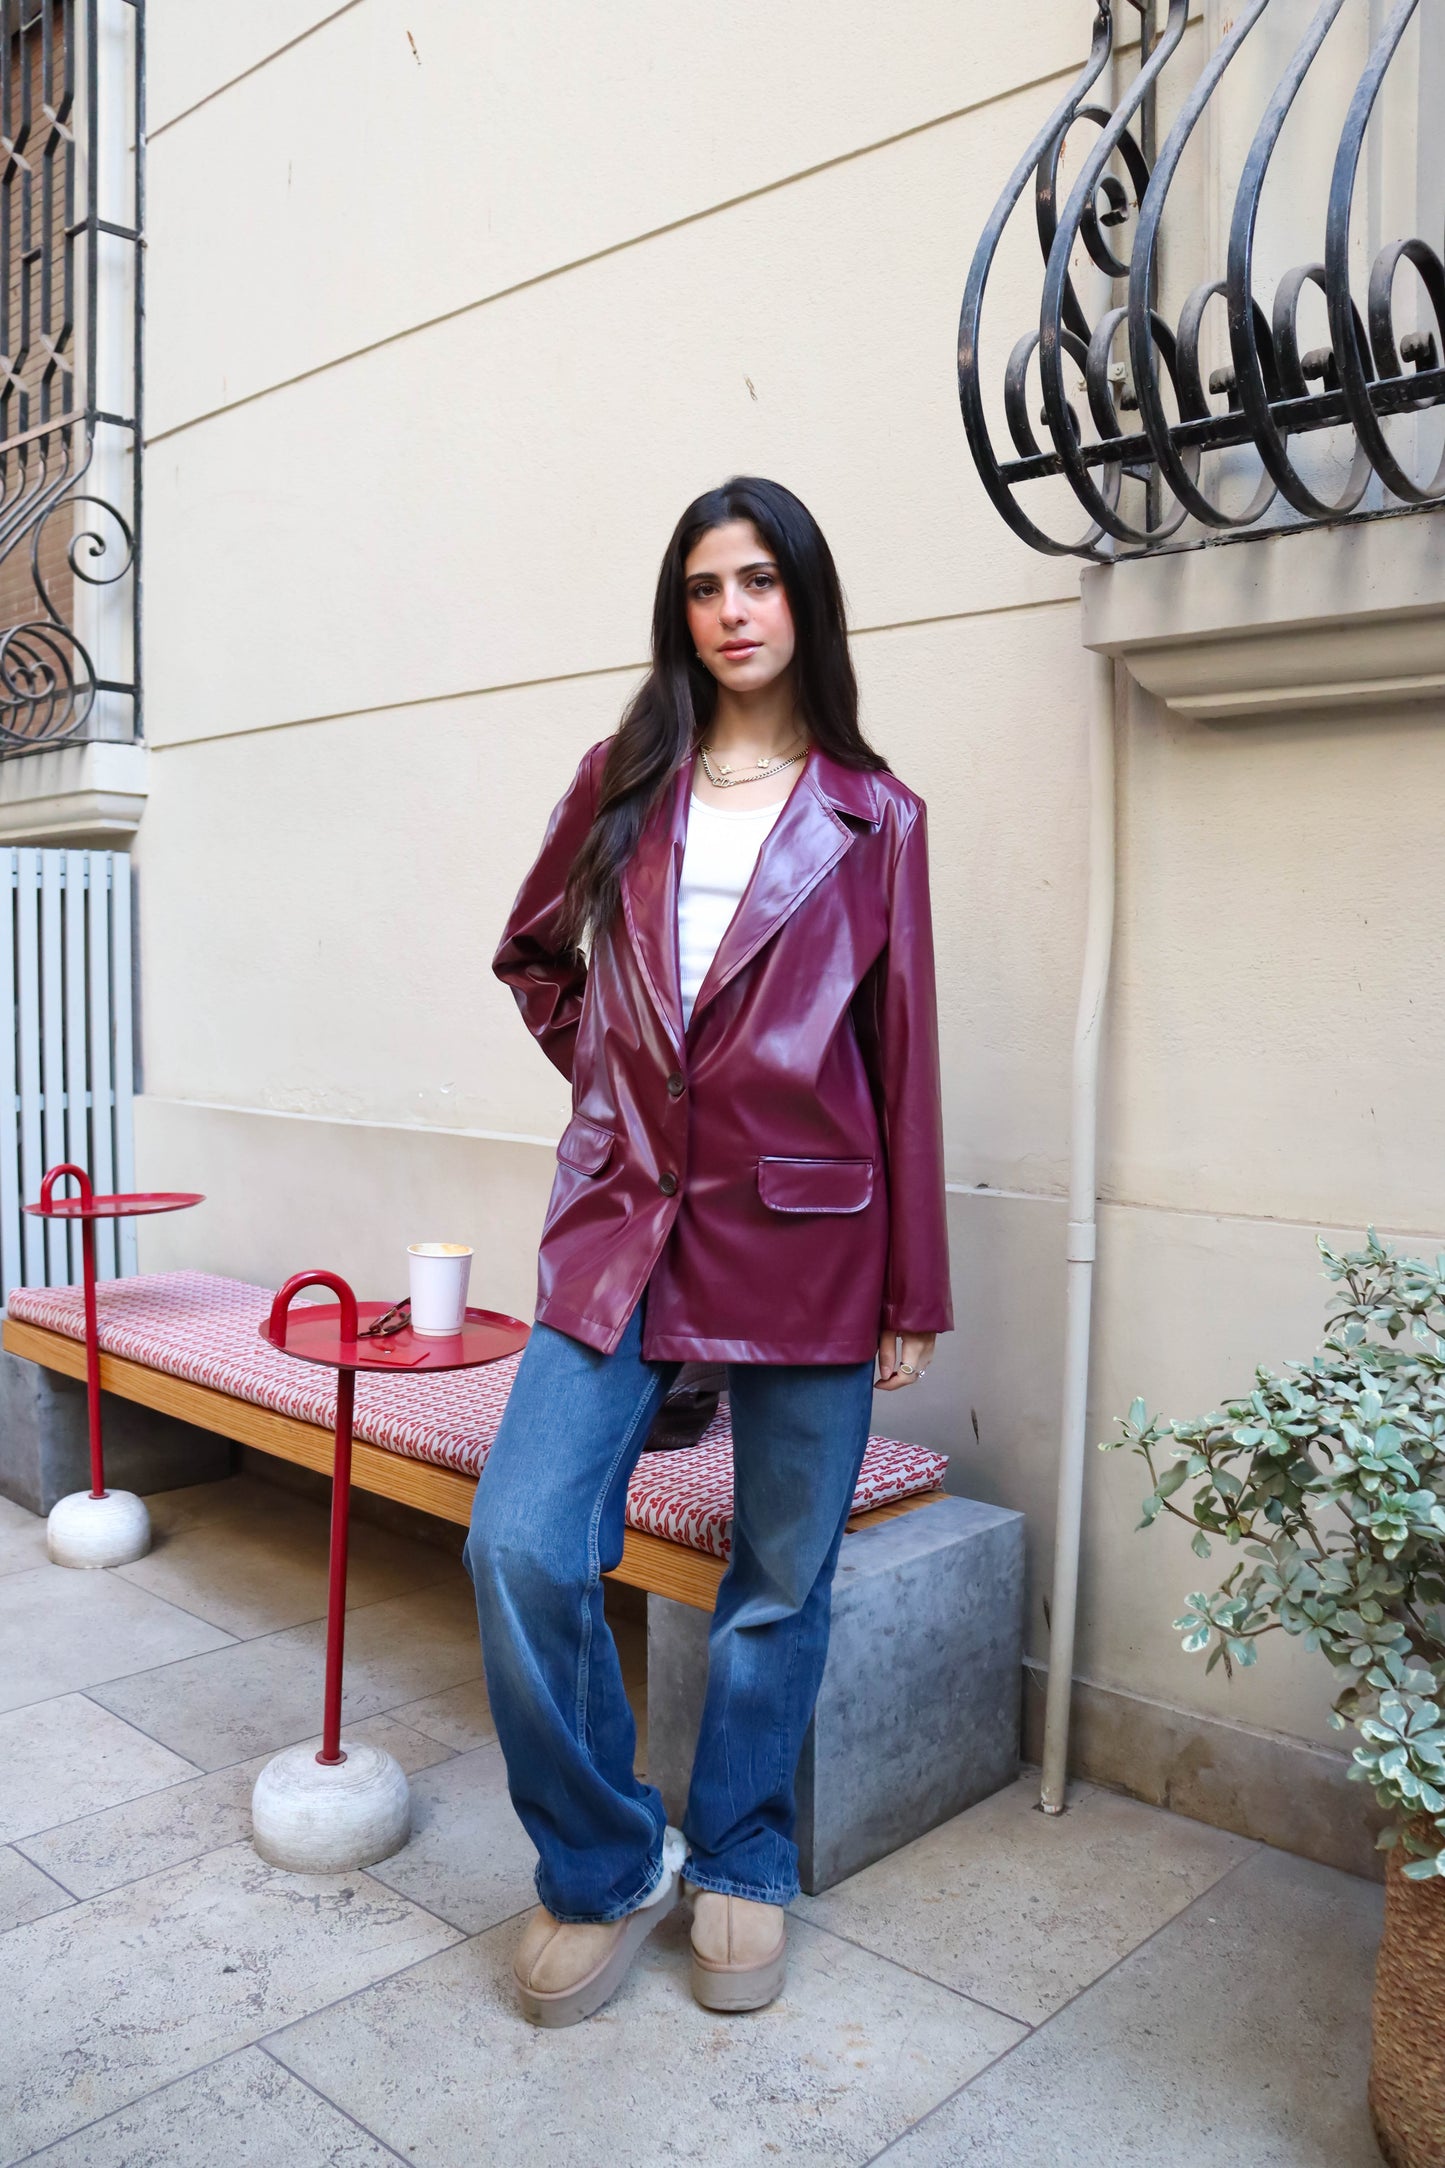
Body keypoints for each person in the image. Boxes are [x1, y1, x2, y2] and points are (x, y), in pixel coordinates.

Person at [465, 474, 952, 2027]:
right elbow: (538, 958)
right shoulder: (620, 778)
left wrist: (910, 1285)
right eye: (701, 586)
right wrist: (619, 1102)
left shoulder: (877, 818)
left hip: (812, 1232)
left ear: (803, 599)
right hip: (622, 1224)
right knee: (523, 1541)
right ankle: (606, 1859)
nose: (731, 609)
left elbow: (903, 1052)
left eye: (757, 580)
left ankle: (740, 1851)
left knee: (776, 1579)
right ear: (678, 612)